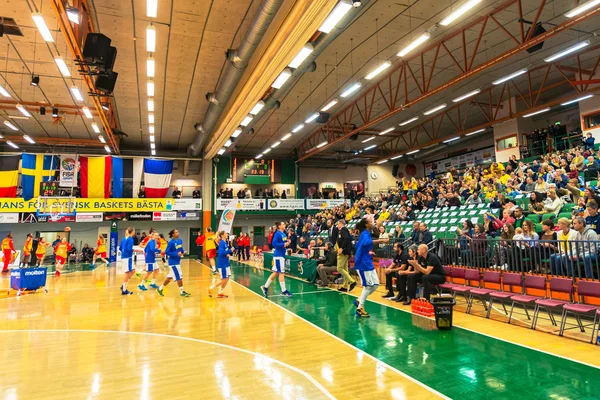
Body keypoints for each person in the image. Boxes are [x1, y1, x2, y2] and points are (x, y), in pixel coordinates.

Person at [353, 217, 388, 317]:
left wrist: (368, 252)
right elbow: (365, 243)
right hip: (362, 264)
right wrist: (381, 240)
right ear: (367, 225)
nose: (373, 223)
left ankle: (359, 300)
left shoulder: (366, 234)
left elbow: (359, 246)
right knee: (368, 286)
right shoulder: (364, 233)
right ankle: (360, 308)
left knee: (376, 284)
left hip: (368, 261)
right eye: (371, 222)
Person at [261, 221, 293, 298]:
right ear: (279, 226)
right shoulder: (277, 233)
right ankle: (284, 290)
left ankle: (265, 287)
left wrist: (288, 242)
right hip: (278, 255)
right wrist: (283, 244)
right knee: (281, 272)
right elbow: (274, 244)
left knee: (276, 273)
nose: (284, 225)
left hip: (282, 254)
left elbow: (284, 242)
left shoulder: (284, 233)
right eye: (283, 224)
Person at [157, 229, 191, 297]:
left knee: (170, 277)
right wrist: (176, 254)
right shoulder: (171, 242)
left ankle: (160, 288)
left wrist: (183, 252)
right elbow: (167, 252)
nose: (178, 233)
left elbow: (180, 249)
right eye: (176, 232)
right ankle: (182, 291)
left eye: (178, 232)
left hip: (177, 262)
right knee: (179, 277)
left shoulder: (180, 240)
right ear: (172, 234)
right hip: (173, 263)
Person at [208, 231, 233, 298]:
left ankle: (220, 292)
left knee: (227, 278)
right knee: (224, 279)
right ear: (222, 235)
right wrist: (230, 250)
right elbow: (221, 253)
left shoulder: (225, 243)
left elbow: (224, 253)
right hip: (222, 264)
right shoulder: (222, 243)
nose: (227, 234)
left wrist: (227, 254)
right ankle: (210, 288)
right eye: (225, 233)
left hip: (226, 263)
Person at [336, 219, 356, 292]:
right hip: (345, 251)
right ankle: (344, 286)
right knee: (345, 269)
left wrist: (341, 248)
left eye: (338, 224)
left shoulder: (343, 229)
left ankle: (352, 281)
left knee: (339, 268)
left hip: (344, 252)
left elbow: (346, 239)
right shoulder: (343, 230)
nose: (337, 225)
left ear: (341, 223)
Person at [119, 227, 136, 295]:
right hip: (127, 257)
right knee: (127, 272)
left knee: (133, 270)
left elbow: (120, 248)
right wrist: (135, 250)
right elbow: (129, 249)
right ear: (132, 232)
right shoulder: (130, 239)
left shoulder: (123, 239)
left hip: (124, 257)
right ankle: (124, 290)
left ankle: (123, 285)